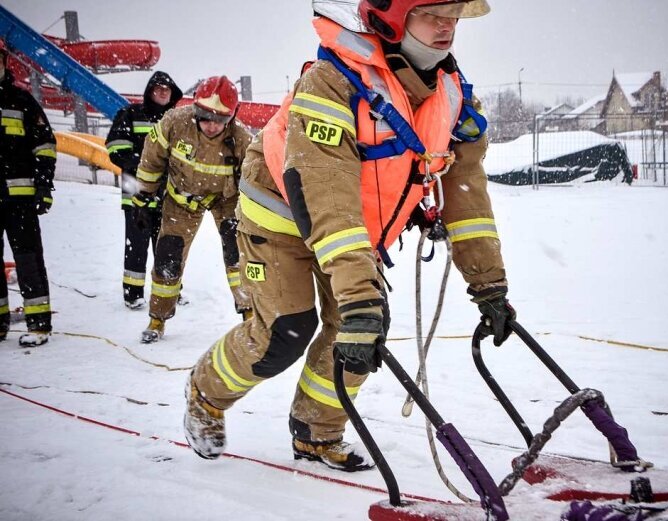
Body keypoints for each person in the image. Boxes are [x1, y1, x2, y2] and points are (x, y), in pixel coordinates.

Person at [184, 0, 515, 472]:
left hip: (353, 227)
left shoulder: (453, 95)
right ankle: (205, 393)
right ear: (391, 18)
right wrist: (360, 294)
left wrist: (489, 284)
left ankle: (316, 433)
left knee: (363, 328)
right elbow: (326, 196)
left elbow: (466, 195)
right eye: (432, 15)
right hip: (281, 216)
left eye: (454, 16)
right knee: (283, 333)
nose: (447, 27)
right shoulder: (334, 81)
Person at [132, 75, 252, 343]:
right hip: (181, 200)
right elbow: (151, 161)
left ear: (231, 117)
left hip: (226, 200)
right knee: (168, 258)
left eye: (219, 120)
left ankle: (250, 314)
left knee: (239, 257)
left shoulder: (242, 139)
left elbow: (255, 181)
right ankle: (157, 318)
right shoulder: (174, 123)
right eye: (204, 116)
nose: (210, 126)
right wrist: (143, 197)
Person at [106, 71, 182, 310]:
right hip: (135, 193)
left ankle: (170, 292)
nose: (162, 92)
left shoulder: (176, 120)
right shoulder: (130, 114)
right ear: (150, 91)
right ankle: (133, 294)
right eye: (158, 88)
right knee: (136, 245)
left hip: (168, 195)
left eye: (166, 89)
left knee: (167, 247)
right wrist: (145, 166)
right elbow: (116, 148)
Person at [0, 39, 57, 347]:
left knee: (28, 260)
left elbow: (45, 147)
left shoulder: (22, 101)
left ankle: (38, 324)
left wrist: (44, 186)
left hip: (20, 198)